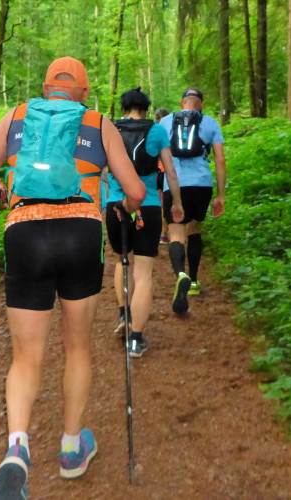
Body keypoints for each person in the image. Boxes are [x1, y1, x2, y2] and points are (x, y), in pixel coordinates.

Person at [0, 57, 145, 500]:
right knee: (77, 345)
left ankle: (16, 450)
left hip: (25, 231)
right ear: (84, 92)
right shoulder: (98, 123)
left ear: (47, 89)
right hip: (80, 233)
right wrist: (126, 208)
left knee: (26, 355)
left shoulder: (17, 116)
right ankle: (70, 448)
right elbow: (136, 191)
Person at [106, 89, 183, 358]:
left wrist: (114, 185)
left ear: (123, 107)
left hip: (116, 205)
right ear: (146, 108)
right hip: (148, 206)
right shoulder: (157, 131)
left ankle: (123, 315)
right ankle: (136, 340)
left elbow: (103, 171)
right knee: (143, 272)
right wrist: (176, 202)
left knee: (121, 261)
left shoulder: (111, 130)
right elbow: (170, 170)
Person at [158, 88, 227, 314]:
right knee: (194, 229)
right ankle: (195, 281)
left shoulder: (166, 122)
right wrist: (220, 195)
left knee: (176, 233)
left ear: (181, 103)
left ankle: (181, 275)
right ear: (201, 105)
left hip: (174, 183)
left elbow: (156, 155)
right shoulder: (210, 123)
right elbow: (220, 160)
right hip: (201, 184)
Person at [154, 107, 171, 244]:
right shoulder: (171, 131)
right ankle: (164, 233)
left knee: (156, 201)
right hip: (168, 171)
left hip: (156, 171)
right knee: (166, 203)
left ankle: (155, 230)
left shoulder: (154, 131)